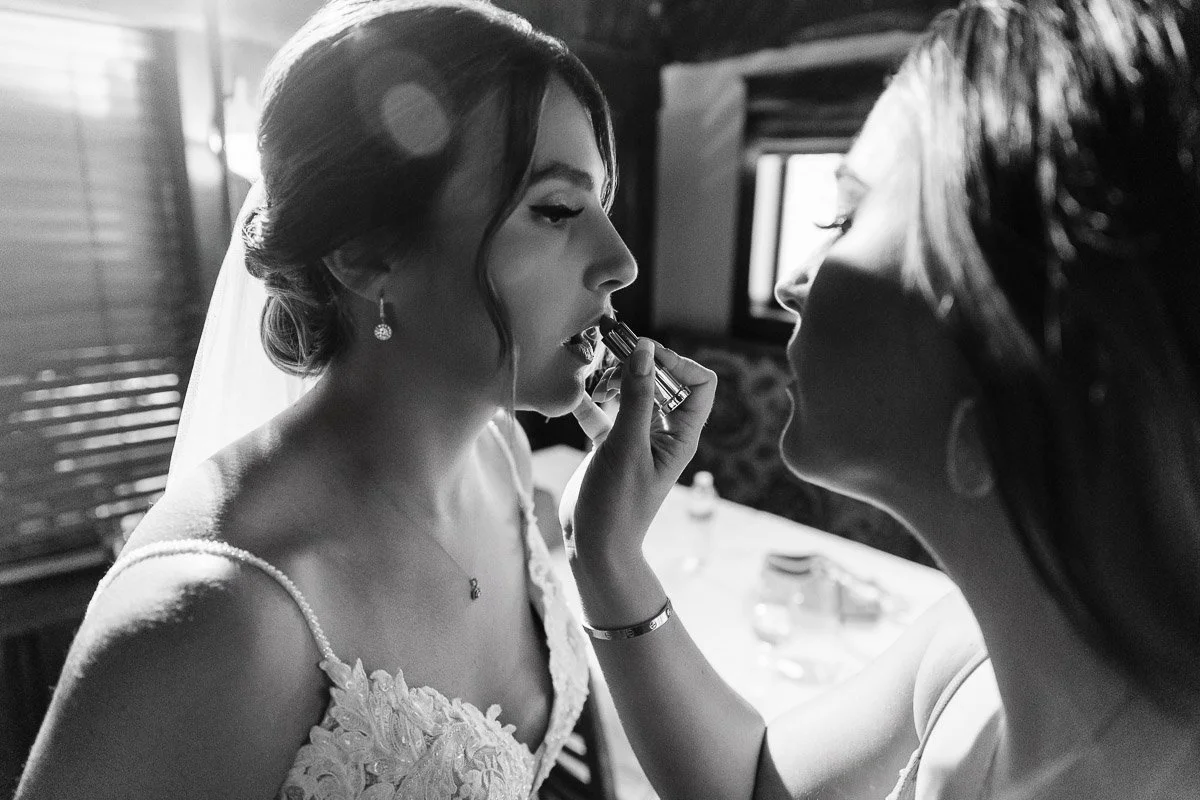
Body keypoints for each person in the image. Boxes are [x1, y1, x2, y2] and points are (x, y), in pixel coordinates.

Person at [562, 0, 1200, 798]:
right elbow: (758, 785)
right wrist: (608, 553)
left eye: (845, 213)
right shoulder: (976, 639)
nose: (792, 286)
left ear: (1014, 333)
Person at [15, 1, 639, 798]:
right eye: (555, 210)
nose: (619, 262)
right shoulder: (217, 613)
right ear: (364, 255)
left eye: (603, 208)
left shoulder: (503, 456)